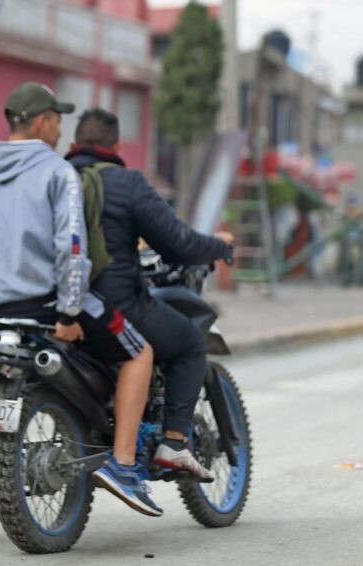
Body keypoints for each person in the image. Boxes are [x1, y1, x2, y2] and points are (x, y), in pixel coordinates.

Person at [0, 83, 161, 517]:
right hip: (46, 308)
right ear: (42, 121)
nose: (61, 130)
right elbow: (72, 247)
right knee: (140, 353)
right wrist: (69, 310)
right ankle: (123, 465)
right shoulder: (58, 173)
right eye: (58, 121)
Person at [66, 108, 233, 483]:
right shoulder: (125, 183)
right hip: (113, 303)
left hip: (56, 306)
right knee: (189, 341)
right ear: (116, 146)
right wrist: (219, 246)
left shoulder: (55, 178)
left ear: (74, 144)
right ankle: (173, 442)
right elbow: (178, 242)